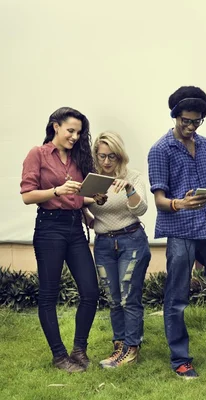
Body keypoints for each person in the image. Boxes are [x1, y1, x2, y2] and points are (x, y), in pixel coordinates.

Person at [148, 86, 206, 379]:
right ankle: (180, 359)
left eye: (196, 121)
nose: (189, 126)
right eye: (184, 120)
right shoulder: (160, 150)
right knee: (176, 298)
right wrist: (179, 203)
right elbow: (159, 201)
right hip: (181, 231)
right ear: (174, 116)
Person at [20, 107, 100, 372]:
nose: (75, 137)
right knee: (49, 295)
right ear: (56, 126)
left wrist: (91, 202)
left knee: (90, 291)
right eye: (70, 130)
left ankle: (79, 349)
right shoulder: (38, 154)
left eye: (79, 132)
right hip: (49, 228)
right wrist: (56, 190)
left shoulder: (78, 158)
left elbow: (75, 196)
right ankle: (59, 356)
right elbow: (27, 195)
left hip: (75, 227)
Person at [87, 131, 152, 368]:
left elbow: (141, 209)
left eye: (111, 156)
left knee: (129, 298)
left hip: (131, 241)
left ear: (120, 156)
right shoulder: (92, 179)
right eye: (102, 156)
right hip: (103, 244)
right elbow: (80, 205)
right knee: (114, 299)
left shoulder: (132, 177)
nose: (106, 162)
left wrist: (128, 190)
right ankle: (119, 347)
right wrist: (91, 219)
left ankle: (131, 349)